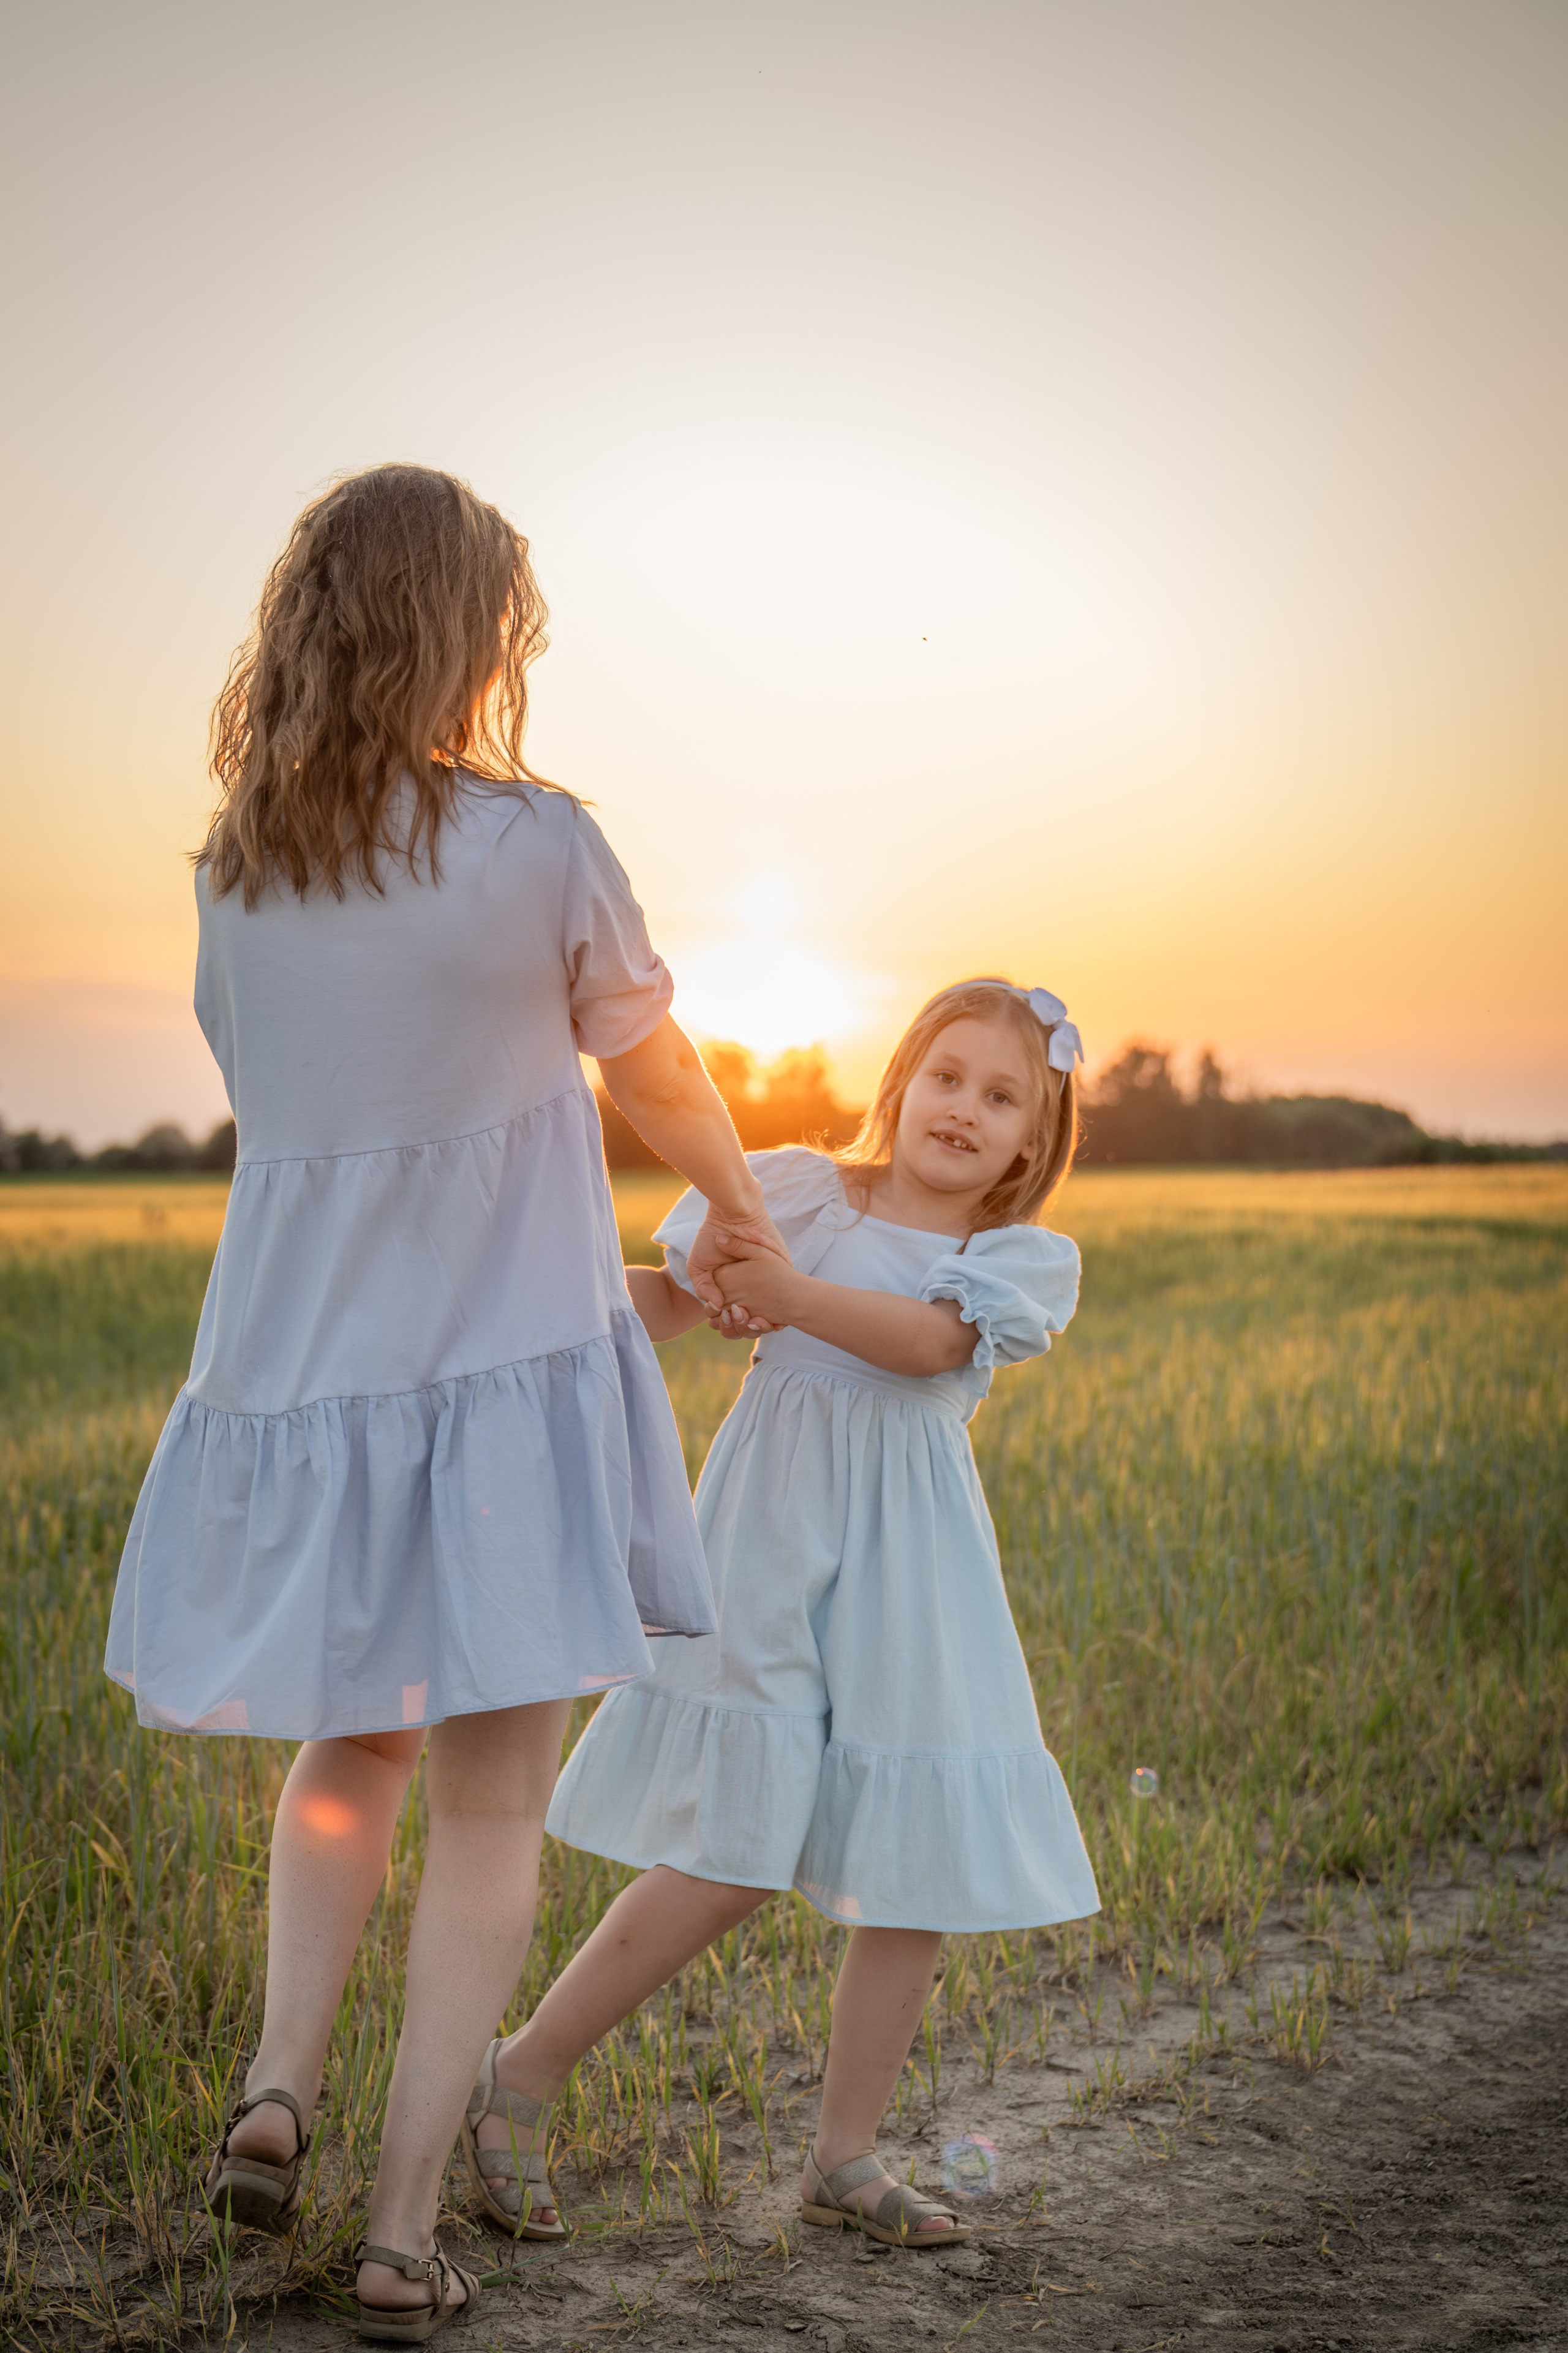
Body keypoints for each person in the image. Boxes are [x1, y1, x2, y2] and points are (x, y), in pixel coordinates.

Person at [103, 464, 785, 2342]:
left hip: (304, 1384)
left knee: (352, 1753)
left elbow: (300, 1112)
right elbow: (651, 1068)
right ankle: (404, 2230)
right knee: (492, 1799)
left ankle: (274, 2083)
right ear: (477, 633)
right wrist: (737, 1213)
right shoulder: (537, 842)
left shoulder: (240, 874)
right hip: (499, 1402)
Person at [465, 979, 1101, 2251]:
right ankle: (516, 2074)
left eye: (1000, 1097)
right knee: (735, 1841)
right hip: (764, 1540)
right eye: (946, 1076)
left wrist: (786, 1294)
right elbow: (691, 1293)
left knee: (909, 1854)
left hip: (912, 1571)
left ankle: (844, 2154)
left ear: (1032, 1140)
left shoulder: (1005, 1263)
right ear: (899, 1083)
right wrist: (578, 1318)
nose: (964, 1109)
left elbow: (923, 1348)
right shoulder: (799, 1196)